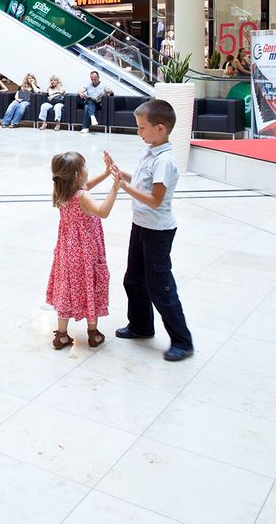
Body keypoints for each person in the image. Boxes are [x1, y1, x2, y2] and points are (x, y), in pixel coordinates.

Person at [112, 99, 194, 362]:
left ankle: (182, 341)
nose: (139, 132)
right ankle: (141, 325)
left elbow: (155, 199)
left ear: (160, 129)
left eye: (142, 127)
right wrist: (120, 174)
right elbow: (140, 182)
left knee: (160, 287)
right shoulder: (149, 152)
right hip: (140, 225)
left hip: (157, 231)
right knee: (133, 280)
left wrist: (124, 188)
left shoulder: (165, 161)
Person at [46, 151, 120, 349]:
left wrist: (106, 173)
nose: (88, 169)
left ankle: (61, 335)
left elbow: (85, 186)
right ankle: (93, 333)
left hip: (67, 252)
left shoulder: (62, 190)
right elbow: (102, 212)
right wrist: (115, 188)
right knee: (90, 284)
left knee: (67, 286)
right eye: (85, 166)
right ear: (78, 175)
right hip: (87, 253)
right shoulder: (83, 196)